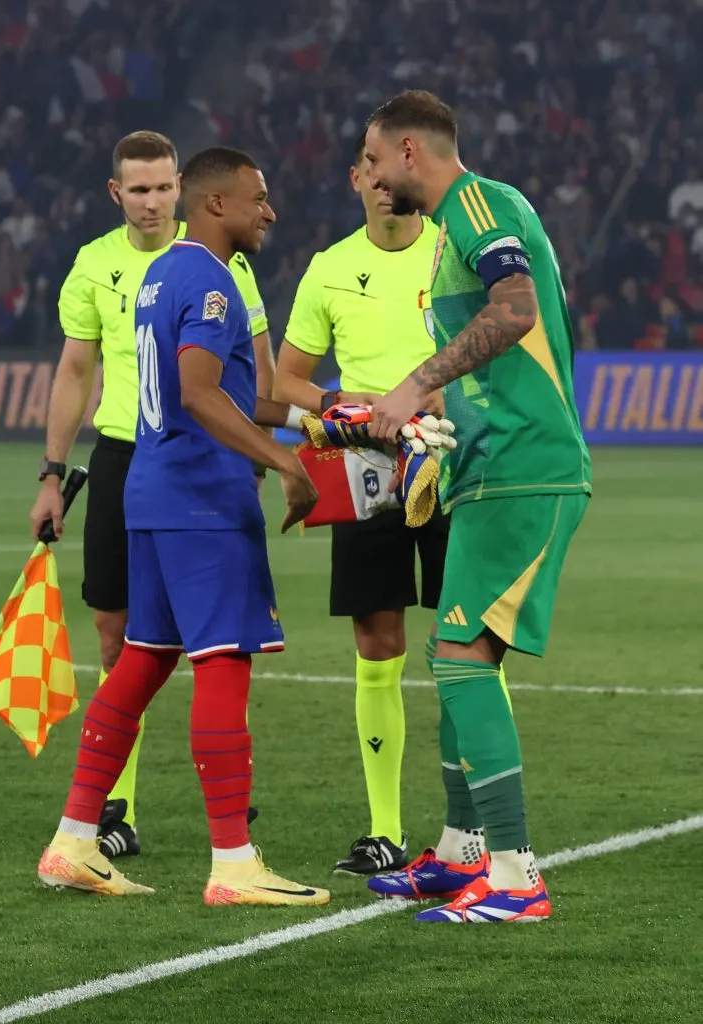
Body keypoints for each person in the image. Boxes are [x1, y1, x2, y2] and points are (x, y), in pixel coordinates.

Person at [37, 146, 329, 908]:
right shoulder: (211, 280)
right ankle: (233, 862)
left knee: (141, 660)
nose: (269, 211)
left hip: (152, 492)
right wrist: (287, 464)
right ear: (218, 205)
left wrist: (332, 414)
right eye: (258, 198)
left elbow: (239, 392)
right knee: (225, 661)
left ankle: (74, 839)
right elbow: (202, 395)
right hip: (203, 499)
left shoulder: (164, 272)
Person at [362, 90, 591, 923]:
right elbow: (497, 352)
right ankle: (463, 856)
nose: (373, 175)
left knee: (459, 659)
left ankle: (516, 875)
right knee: (460, 654)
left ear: (412, 150)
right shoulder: (462, 223)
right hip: (490, 464)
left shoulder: (477, 203)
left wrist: (419, 381)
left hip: (524, 466)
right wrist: (428, 417)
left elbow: (515, 310)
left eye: (378, 158)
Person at [274, 131, 449, 876]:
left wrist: (439, 396)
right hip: (368, 473)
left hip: (450, 462)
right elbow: (286, 380)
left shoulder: (451, 251)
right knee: (377, 645)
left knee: (468, 643)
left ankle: (475, 830)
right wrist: (342, 402)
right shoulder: (330, 267)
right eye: (369, 173)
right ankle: (385, 831)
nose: (383, 185)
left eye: (391, 171)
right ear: (354, 179)